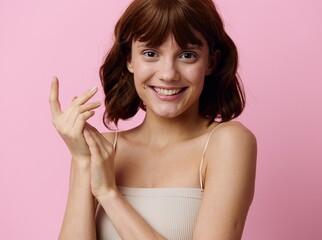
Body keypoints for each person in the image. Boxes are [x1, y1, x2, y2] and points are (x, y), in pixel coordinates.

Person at [49, 0, 257, 239]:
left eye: (187, 55)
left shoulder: (227, 143)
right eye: (150, 53)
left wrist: (108, 193)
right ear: (130, 60)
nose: (168, 74)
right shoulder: (101, 151)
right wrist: (83, 161)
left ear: (210, 61)